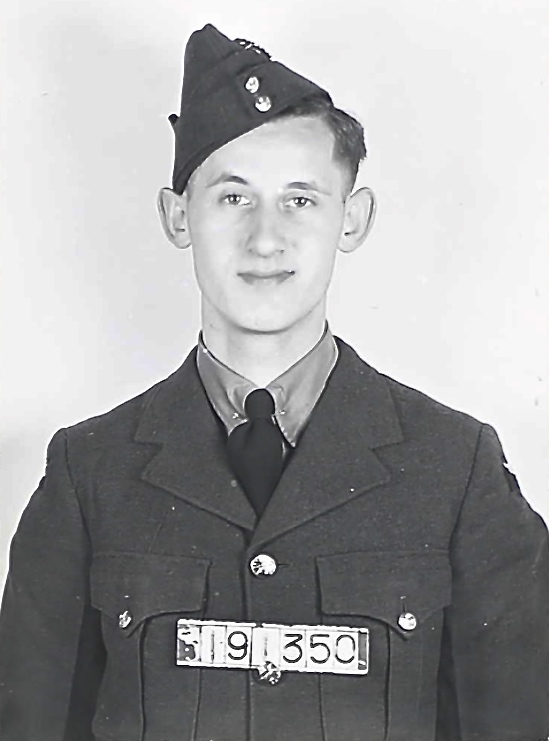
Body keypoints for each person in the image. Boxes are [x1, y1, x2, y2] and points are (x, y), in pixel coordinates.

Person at [0, 22, 548, 741]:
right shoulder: (88, 472)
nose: (265, 239)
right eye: (233, 198)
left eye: (300, 199)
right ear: (177, 217)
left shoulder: (455, 468)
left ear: (352, 219)